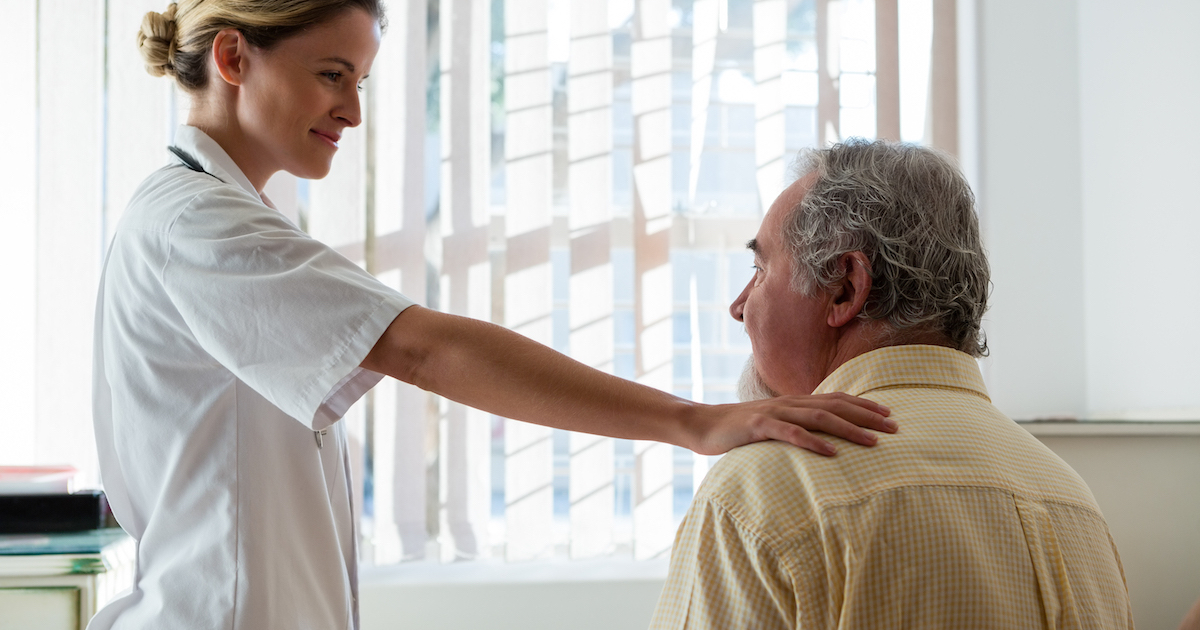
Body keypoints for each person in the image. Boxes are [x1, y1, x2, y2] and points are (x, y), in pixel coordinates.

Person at [90, 2, 896, 628]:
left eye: (361, 82)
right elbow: (423, 350)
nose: (353, 112)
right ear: (234, 56)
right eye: (332, 74)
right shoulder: (196, 226)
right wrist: (696, 422)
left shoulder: (226, 218)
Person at [650, 139, 1135, 629]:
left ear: (844, 288)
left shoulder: (761, 491)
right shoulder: (1072, 499)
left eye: (760, 269)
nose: (738, 306)